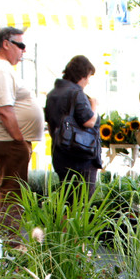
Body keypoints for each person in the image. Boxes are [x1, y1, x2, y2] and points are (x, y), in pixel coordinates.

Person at [0, 26, 45, 239]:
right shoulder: (0, 69)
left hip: (6, 138)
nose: (23, 50)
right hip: (8, 139)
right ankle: (12, 242)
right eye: (20, 45)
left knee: (7, 187)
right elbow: (5, 110)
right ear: (6, 44)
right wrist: (19, 140)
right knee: (13, 191)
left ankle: (2, 238)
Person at [45, 55, 101, 197]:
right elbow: (89, 121)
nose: (88, 82)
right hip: (81, 155)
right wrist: (94, 105)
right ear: (82, 75)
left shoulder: (53, 94)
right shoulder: (76, 93)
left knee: (67, 198)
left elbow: (50, 125)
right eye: (88, 77)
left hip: (60, 154)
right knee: (83, 200)